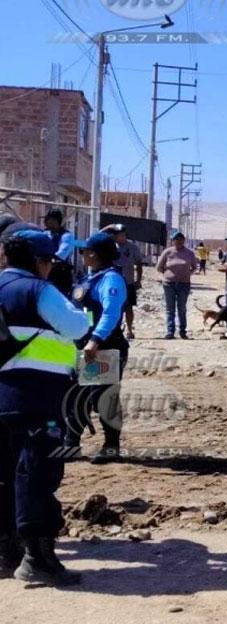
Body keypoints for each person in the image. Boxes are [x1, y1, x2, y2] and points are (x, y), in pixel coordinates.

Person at [0, 229, 89, 585]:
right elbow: (77, 326)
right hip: (37, 397)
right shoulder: (38, 290)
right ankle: (37, 559)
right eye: (49, 260)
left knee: (6, 474)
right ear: (40, 261)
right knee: (38, 474)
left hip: (4, 396)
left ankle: (8, 551)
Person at [66, 231, 129, 464]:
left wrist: (95, 339)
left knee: (103, 398)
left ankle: (111, 446)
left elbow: (111, 313)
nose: (82, 255)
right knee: (75, 396)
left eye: (84, 251)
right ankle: (70, 443)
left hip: (104, 347)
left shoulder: (111, 279)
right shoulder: (91, 277)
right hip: (82, 346)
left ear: (93, 254)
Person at [156, 230, 198, 340]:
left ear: (184, 240)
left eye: (181, 239)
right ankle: (170, 331)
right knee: (170, 308)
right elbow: (159, 267)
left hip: (184, 284)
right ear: (172, 241)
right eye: (176, 239)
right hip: (169, 284)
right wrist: (167, 275)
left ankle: (183, 331)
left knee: (182, 308)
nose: (179, 241)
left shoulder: (189, 253)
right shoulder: (167, 252)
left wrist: (188, 274)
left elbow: (194, 267)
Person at [42, 209, 75, 297]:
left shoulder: (66, 236)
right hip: (46, 274)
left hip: (60, 276)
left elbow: (61, 256)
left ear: (55, 221)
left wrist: (47, 262)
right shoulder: (45, 234)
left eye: (47, 220)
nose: (44, 222)